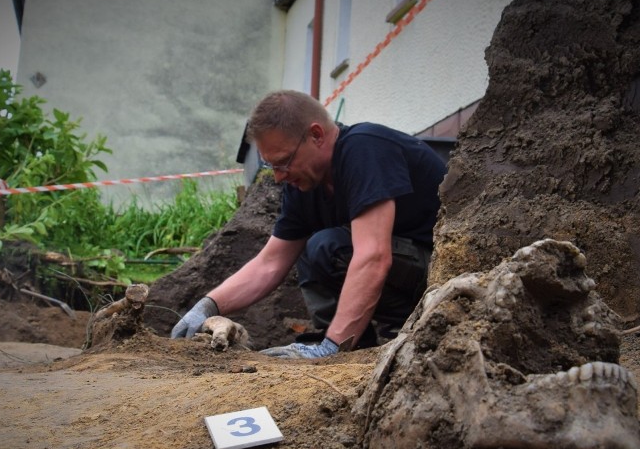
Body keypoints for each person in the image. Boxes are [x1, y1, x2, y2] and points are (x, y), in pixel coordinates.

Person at [171, 90, 447, 358]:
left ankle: (378, 339)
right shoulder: (304, 184)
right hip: (405, 268)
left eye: (283, 163)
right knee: (313, 247)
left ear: (316, 135)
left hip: (439, 274)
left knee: (326, 247)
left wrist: (331, 347)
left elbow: (373, 256)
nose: (278, 178)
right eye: (272, 167)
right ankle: (354, 349)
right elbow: (270, 263)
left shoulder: (365, 149)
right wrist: (207, 306)